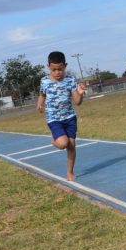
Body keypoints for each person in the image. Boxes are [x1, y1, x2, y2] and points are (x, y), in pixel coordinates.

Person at [36, 51, 87, 181]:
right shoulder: (44, 81)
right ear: (48, 67)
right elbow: (42, 94)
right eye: (54, 70)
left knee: (71, 145)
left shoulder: (70, 80)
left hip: (70, 117)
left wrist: (80, 93)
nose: (57, 72)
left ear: (65, 65)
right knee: (63, 143)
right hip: (54, 119)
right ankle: (54, 139)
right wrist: (39, 105)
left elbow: (77, 102)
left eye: (60, 69)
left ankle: (70, 172)